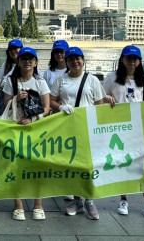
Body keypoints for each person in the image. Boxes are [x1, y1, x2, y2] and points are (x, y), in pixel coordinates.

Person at [50, 46, 113, 220]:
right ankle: (77, 200)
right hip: (68, 128)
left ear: (83, 61)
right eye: (71, 59)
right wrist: (61, 106)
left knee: (90, 164)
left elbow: (99, 105)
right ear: (66, 62)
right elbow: (52, 102)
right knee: (74, 164)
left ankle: (90, 200)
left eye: (78, 59)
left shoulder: (92, 80)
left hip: (88, 128)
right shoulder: (60, 80)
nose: (75, 62)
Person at [102, 45, 144, 221]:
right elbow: (101, 98)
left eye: (135, 59)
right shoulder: (112, 78)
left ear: (139, 61)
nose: (132, 62)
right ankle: (123, 199)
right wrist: (106, 99)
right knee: (122, 163)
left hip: (139, 128)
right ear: (122, 60)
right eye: (128, 58)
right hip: (119, 128)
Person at [2, 47, 51, 221]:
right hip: (16, 128)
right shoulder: (11, 81)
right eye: (24, 59)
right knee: (16, 166)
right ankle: (18, 205)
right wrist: (16, 98)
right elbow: (6, 104)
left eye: (31, 59)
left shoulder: (40, 82)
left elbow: (46, 108)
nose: (27, 62)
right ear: (18, 62)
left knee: (37, 166)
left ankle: (38, 204)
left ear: (36, 62)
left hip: (36, 129)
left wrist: (32, 120)